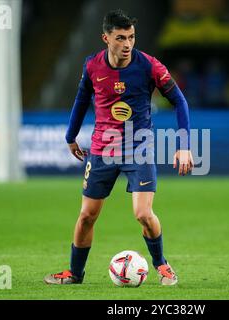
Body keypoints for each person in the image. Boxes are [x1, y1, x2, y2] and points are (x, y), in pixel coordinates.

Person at [44, 9, 193, 286]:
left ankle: (162, 265)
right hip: (102, 149)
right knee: (87, 215)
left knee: (143, 214)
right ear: (106, 38)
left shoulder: (150, 66)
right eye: (121, 38)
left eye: (132, 37)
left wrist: (184, 146)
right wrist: (70, 136)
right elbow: (81, 100)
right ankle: (75, 274)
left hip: (139, 149)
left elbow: (180, 102)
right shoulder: (92, 66)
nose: (128, 44)